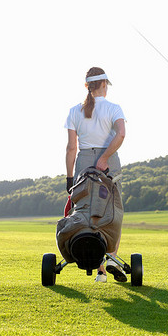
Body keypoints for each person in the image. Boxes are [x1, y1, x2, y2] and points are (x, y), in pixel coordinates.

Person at [65, 67, 127, 283]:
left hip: (83, 162)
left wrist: (69, 178)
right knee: (113, 210)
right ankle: (111, 259)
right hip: (109, 163)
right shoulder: (113, 108)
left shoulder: (74, 111)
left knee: (87, 212)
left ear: (87, 86)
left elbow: (71, 148)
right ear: (103, 85)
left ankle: (100, 269)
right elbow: (121, 134)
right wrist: (105, 157)